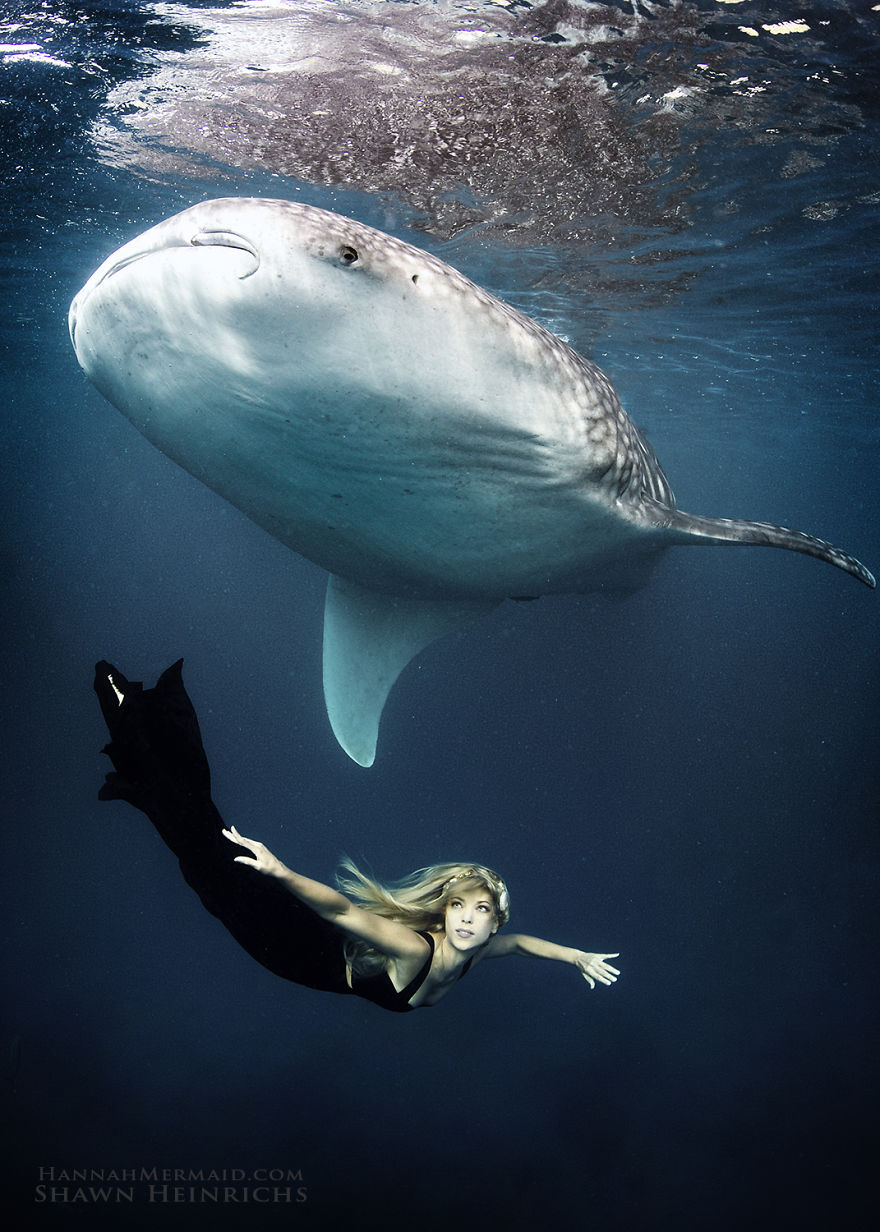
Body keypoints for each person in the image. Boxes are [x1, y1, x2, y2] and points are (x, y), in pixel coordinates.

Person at [94, 659, 620, 1012]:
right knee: (209, 851)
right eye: (461, 906)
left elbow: (523, 946)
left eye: (481, 912)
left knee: (206, 851)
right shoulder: (416, 951)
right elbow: (345, 913)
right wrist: (280, 872)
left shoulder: (479, 951)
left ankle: (140, 756)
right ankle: (132, 719)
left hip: (307, 953)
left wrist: (575, 956)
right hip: (291, 940)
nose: (467, 919)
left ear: (494, 923)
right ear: (445, 910)